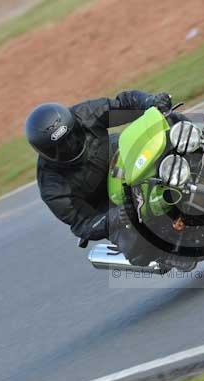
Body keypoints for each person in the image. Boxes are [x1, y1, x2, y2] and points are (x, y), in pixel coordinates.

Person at [24, 90, 172, 263]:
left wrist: (150, 101)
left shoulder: (86, 114)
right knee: (138, 248)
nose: (70, 146)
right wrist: (114, 217)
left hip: (120, 157)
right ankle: (173, 248)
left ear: (75, 124)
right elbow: (81, 223)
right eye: (59, 148)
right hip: (107, 204)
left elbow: (123, 104)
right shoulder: (52, 185)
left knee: (171, 124)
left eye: (72, 137)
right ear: (44, 153)